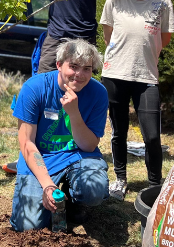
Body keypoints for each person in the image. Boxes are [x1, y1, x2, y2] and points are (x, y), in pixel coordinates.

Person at [4, 0, 139, 175]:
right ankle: (29, 154)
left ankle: (71, 150)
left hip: (84, 40)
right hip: (55, 38)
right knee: (42, 93)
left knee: (80, 96)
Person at [98, 0, 174, 199]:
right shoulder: (113, 1)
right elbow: (109, 38)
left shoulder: (162, 2)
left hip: (147, 77)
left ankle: (154, 185)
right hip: (115, 75)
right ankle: (120, 179)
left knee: (152, 136)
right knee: (118, 132)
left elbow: (164, 38)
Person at [10, 39, 110, 231]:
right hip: (42, 157)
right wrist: (47, 185)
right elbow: (26, 142)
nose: (79, 74)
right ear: (59, 65)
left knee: (94, 190)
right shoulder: (34, 88)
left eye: (87, 69)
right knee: (28, 226)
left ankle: (75, 201)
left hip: (79, 155)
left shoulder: (98, 93)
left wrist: (74, 113)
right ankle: (53, 200)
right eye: (73, 66)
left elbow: (89, 145)